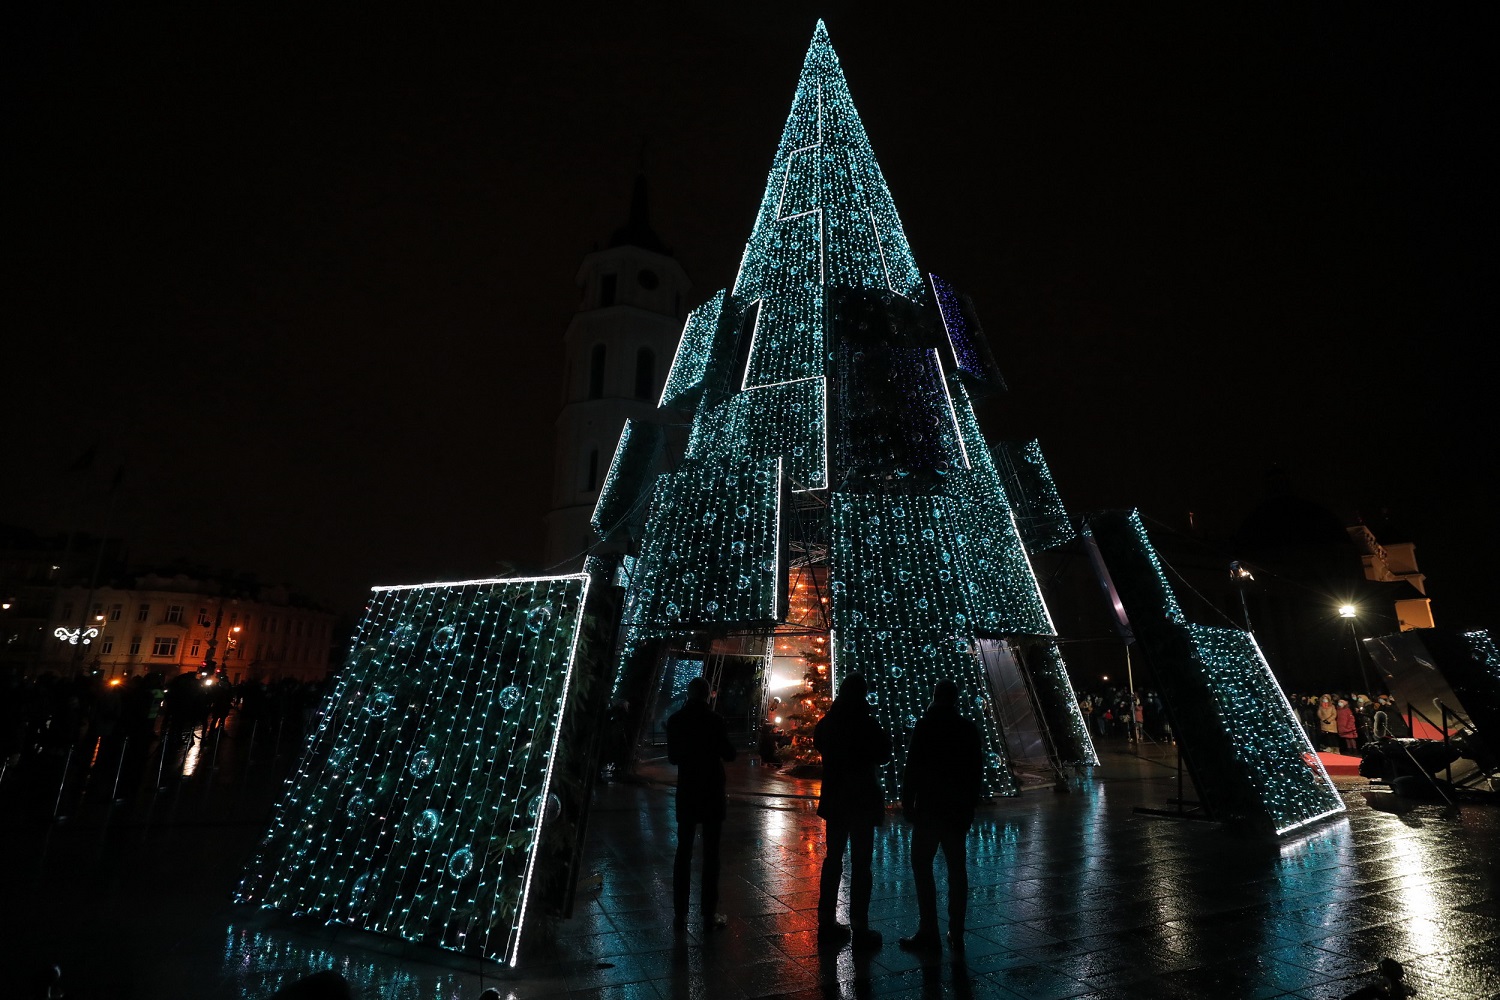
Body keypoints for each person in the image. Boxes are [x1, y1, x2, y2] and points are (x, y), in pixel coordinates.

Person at [898, 679, 983, 953]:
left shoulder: (926, 726)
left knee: (922, 866)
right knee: (957, 869)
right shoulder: (967, 729)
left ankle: (928, 929)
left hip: (930, 808)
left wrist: (907, 802)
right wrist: (970, 805)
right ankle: (956, 931)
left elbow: (913, 767)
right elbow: (975, 772)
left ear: (935, 697)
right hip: (956, 810)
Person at [814, 674, 890, 952]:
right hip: (861, 801)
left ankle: (826, 921)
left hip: (835, 800)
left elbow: (818, 741)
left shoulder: (829, 722)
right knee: (861, 864)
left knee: (832, 859)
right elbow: (884, 753)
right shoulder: (866, 723)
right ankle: (860, 924)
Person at [666, 676, 736, 931]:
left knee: (683, 851)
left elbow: (673, 757)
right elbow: (729, 753)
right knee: (711, 853)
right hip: (711, 791)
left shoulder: (676, 721)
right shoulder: (715, 721)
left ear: (688, 693)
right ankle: (709, 911)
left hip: (688, 791)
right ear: (708, 695)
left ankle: (680, 913)